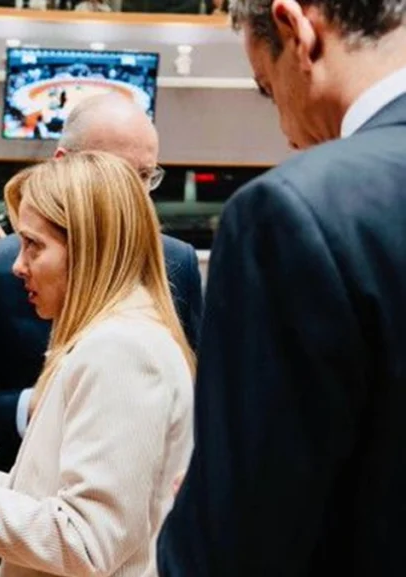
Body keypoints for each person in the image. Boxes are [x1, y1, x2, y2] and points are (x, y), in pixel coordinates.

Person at [158, 1, 406, 575]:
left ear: (296, 29)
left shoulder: (292, 210)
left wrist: (201, 511)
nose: (287, 136)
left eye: (269, 90)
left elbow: (231, 551)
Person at [0, 152, 195, 577]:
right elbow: (61, 501)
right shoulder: (113, 338)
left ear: (87, 248)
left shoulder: (122, 349)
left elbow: (87, 542)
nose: (17, 265)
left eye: (34, 245)